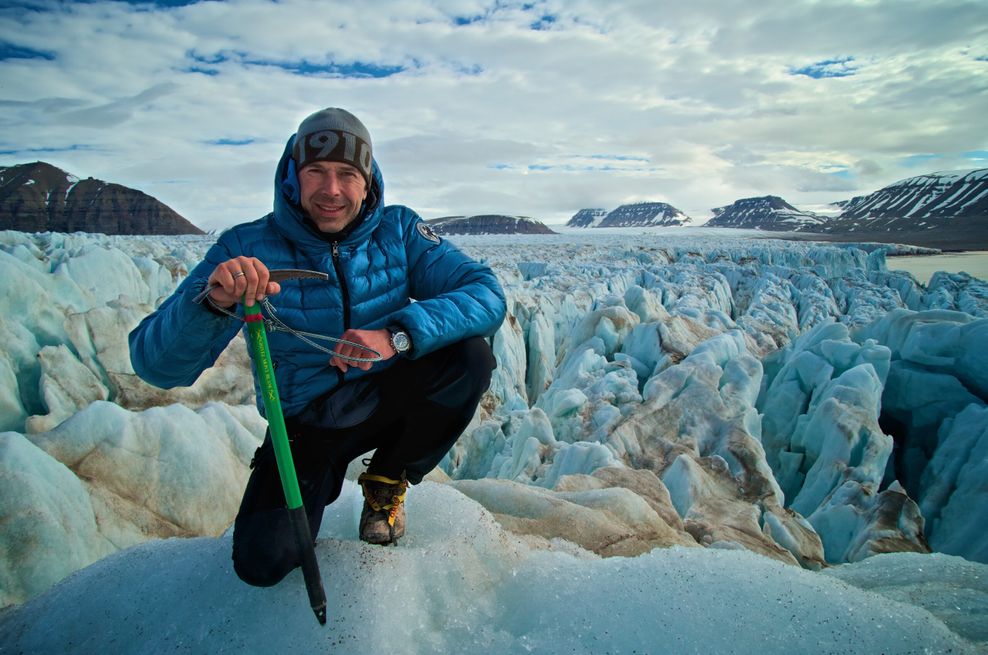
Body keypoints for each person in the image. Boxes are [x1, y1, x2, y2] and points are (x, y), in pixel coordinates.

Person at [128, 107, 506, 587]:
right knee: (262, 562)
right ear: (293, 176)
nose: (332, 190)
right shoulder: (246, 248)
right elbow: (155, 366)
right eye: (317, 172)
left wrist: (395, 336)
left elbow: (486, 293)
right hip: (306, 422)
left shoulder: (400, 232)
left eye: (347, 174)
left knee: (469, 357)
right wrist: (211, 303)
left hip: (386, 394)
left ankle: (387, 479)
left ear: (367, 182)